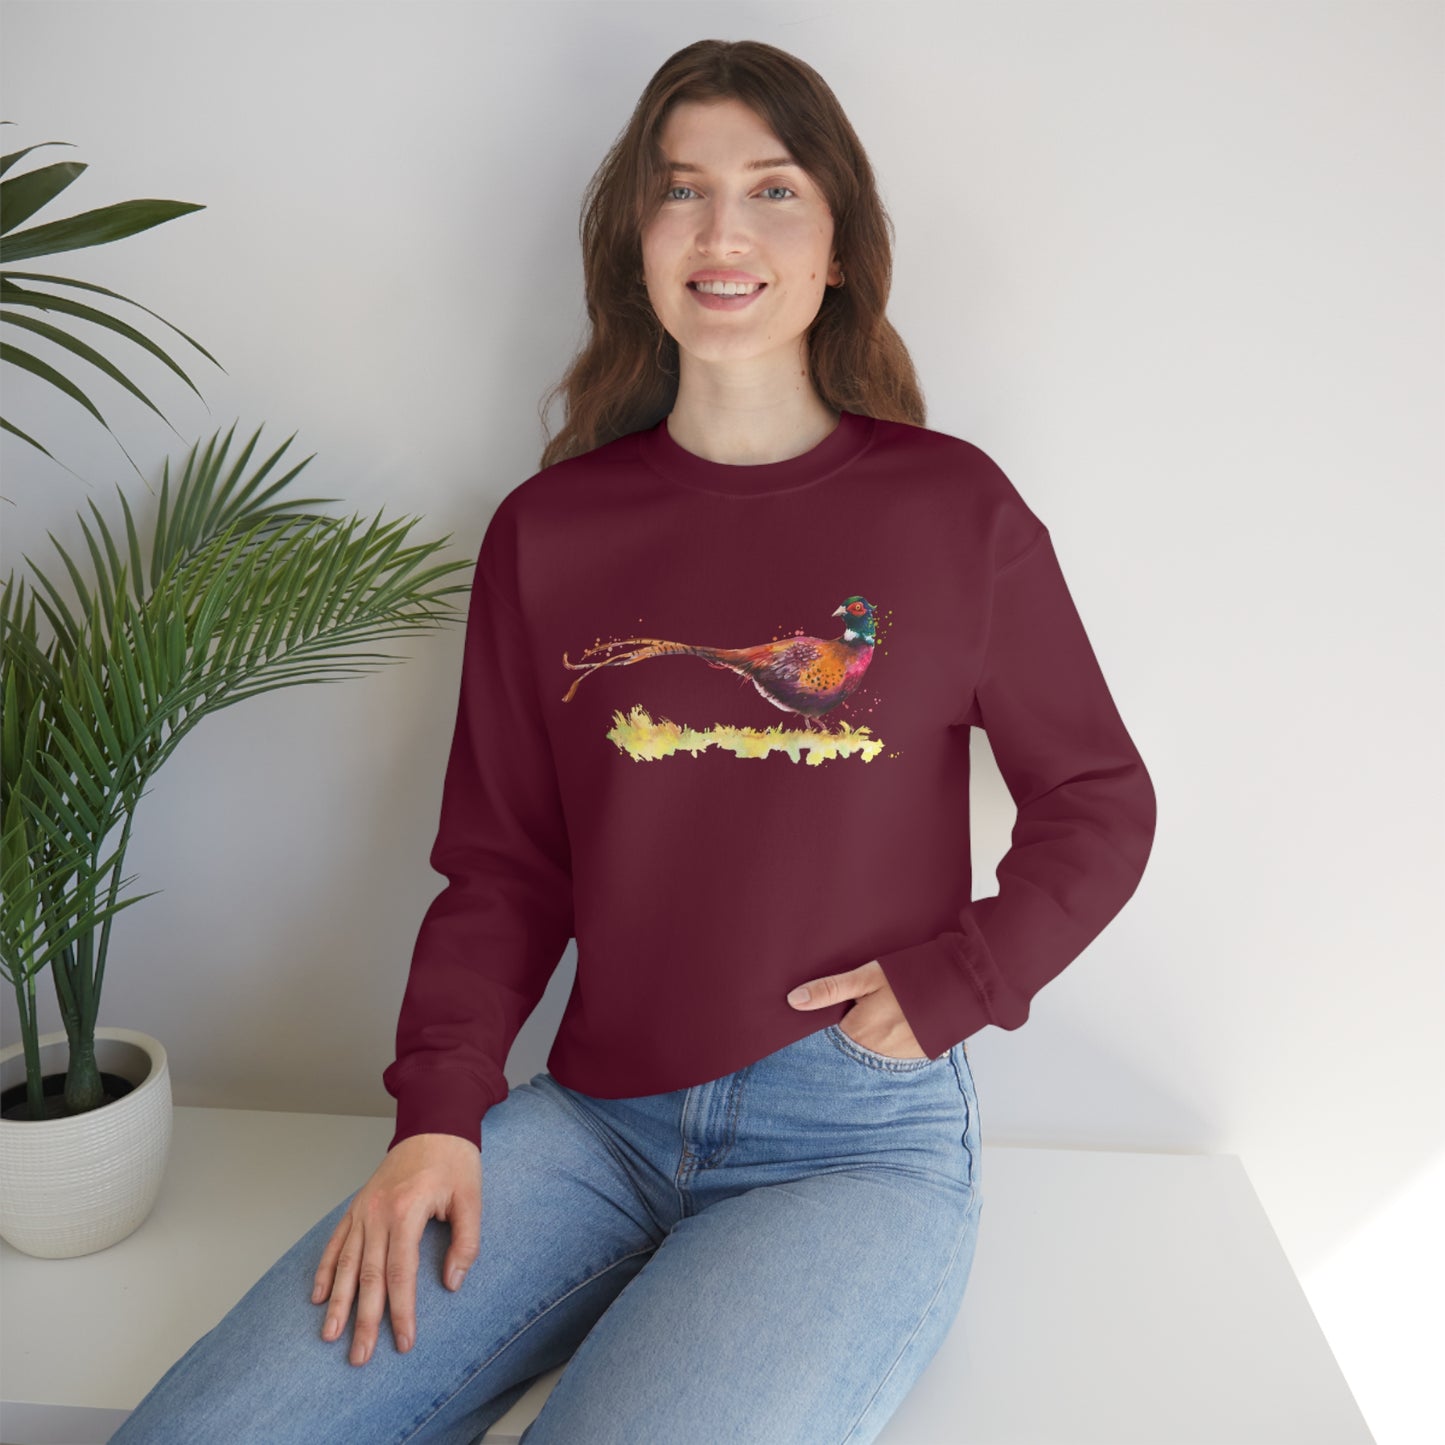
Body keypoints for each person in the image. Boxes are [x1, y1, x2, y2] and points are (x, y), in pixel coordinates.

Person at [110, 38, 1156, 1445]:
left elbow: (1097, 797)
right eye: (681, 192)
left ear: (837, 244)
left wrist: (960, 975)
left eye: (772, 191)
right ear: (636, 242)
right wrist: (439, 1111)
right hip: (592, 1118)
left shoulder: (950, 513)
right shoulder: (552, 533)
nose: (723, 232)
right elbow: (503, 868)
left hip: (847, 1141)